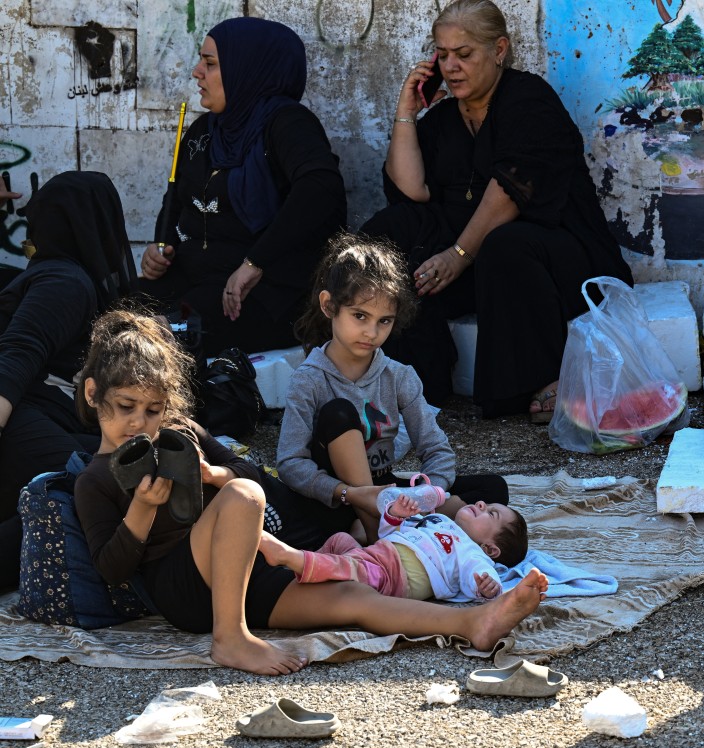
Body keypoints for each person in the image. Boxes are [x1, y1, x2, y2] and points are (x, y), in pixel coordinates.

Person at [74, 310, 547, 676]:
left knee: (351, 597)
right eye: (126, 407)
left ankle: (475, 624)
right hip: (186, 586)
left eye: (154, 409)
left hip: (245, 572)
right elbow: (112, 568)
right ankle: (231, 638)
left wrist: (214, 474)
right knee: (242, 496)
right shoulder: (94, 479)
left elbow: (250, 472)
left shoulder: (181, 431)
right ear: (94, 394)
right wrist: (141, 509)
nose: (141, 422)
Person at [360, 0, 632, 420]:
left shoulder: (528, 101)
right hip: (475, 263)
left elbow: (510, 191)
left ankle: (541, 379)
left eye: (464, 54)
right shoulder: (445, 118)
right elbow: (410, 190)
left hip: (554, 261)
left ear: (499, 50)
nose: (451, 67)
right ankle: (414, 377)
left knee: (505, 244)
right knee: (390, 228)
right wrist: (406, 113)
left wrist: (458, 254)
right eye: (442, 54)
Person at [278, 232, 509, 545]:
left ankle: (392, 527)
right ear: (329, 305)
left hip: (386, 491)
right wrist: (350, 494)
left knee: (493, 490)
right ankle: (378, 531)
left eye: (384, 321)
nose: (371, 332)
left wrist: (424, 496)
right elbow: (291, 464)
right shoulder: (309, 379)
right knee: (338, 414)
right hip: (339, 499)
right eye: (359, 316)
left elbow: (436, 450)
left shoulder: (399, 376)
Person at [139, 16, 346, 357]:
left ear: (247, 69)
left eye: (210, 63)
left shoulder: (288, 124)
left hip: (262, 294)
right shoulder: (206, 131)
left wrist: (255, 262)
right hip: (197, 278)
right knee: (122, 307)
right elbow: (176, 200)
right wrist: (161, 249)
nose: (196, 72)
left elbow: (321, 189)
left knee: (176, 326)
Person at [0, 171, 136, 590]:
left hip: (42, 422)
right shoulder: (66, 281)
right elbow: (17, 354)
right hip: (19, 421)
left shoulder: (71, 277)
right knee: (96, 492)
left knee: (137, 471)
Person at [259, 489, 528, 602]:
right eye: (486, 504)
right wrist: (396, 516)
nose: (481, 504)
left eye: (491, 514)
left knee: (349, 567)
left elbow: (479, 576)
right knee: (339, 540)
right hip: (378, 553)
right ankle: (292, 576)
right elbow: (389, 535)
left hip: (393, 577)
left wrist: (489, 588)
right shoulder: (439, 521)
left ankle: (292, 559)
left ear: (490, 549)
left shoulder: (470, 551)